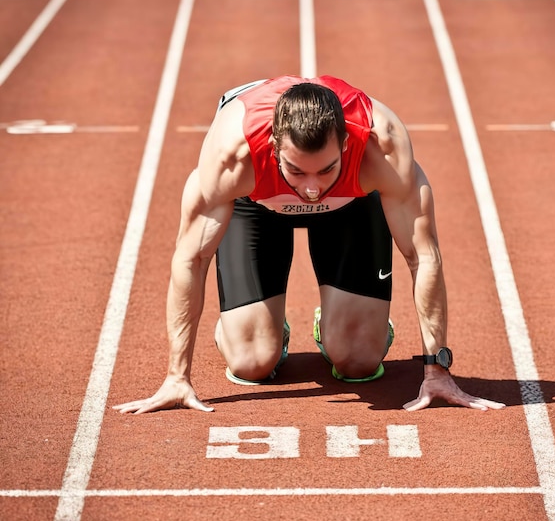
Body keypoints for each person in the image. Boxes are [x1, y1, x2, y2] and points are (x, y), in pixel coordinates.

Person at [113, 76, 505, 415]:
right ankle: (260, 329)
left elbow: (423, 257)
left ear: (347, 147)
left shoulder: (379, 147)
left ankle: (340, 326)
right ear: (271, 146)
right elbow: (192, 259)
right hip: (257, 201)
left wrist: (437, 370)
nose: (312, 188)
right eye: (297, 170)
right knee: (251, 363)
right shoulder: (232, 157)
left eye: (326, 168)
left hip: (351, 202)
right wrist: (176, 377)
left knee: (357, 360)